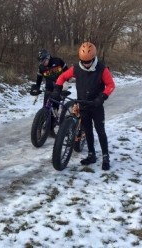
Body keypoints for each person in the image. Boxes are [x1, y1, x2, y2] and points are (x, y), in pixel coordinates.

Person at [51, 42, 115, 170]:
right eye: (83, 61)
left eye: (89, 61)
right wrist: (57, 88)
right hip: (83, 104)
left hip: (96, 105)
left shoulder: (102, 69)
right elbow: (63, 76)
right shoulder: (76, 68)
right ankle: (91, 155)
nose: (86, 64)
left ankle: (105, 156)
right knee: (88, 130)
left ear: (93, 58)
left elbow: (110, 85)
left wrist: (102, 97)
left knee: (100, 131)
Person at [30, 49, 68, 135]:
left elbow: (67, 71)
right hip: (48, 89)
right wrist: (36, 90)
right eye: (41, 62)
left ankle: (52, 128)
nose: (43, 63)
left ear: (48, 57)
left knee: (55, 108)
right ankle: (43, 127)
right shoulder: (41, 67)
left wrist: (66, 81)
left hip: (60, 88)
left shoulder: (58, 61)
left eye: (43, 61)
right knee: (46, 109)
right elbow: (38, 80)